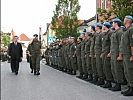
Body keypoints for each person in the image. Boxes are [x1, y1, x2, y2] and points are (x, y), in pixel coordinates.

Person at [109, 18, 125, 91]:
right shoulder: (115, 32)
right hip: (113, 53)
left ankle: (119, 84)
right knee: (113, 69)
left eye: (113, 22)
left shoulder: (120, 32)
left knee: (118, 69)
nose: (112, 24)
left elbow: (121, 44)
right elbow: (112, 44)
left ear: (116, 23)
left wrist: (120, 55)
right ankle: (116, 83)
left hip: (117, 54)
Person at [119, 15, 133, 96]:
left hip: (128, 54)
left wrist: (132, 55)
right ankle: (129, 87)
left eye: (124, 19)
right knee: (126, 71)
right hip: (124, 54)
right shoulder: (125, 30)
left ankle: (132, 88)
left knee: (130, 71)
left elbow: (132, 44)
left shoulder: (131, 30)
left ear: (127, 20)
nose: (123, 20)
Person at [100, 22, 113, 88]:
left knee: (107, 68)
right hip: (104, 53)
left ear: (106, 26)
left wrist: (110, 52)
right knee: (105, 67)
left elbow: (111, 44)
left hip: (108, 53)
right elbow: (103, 45)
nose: (102, 26)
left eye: (103, 25)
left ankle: (109, 82)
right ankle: (107, 81)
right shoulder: (105, 34)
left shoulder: (110, 33)